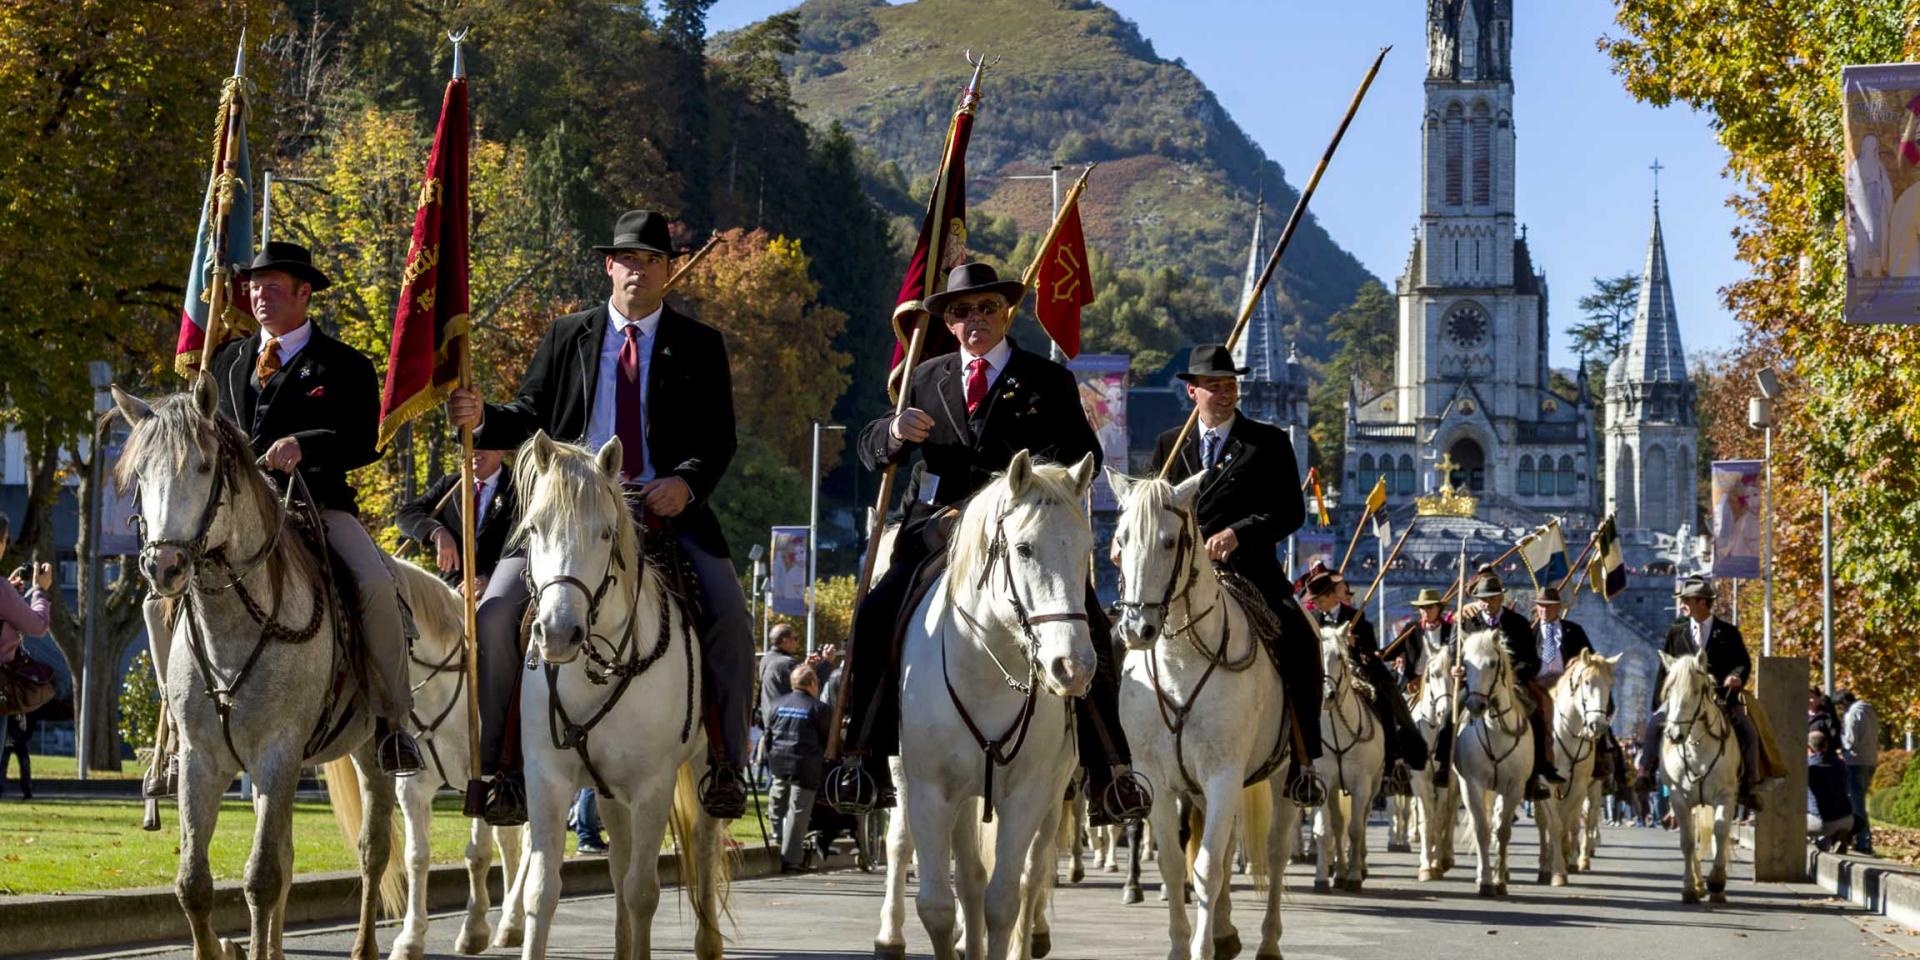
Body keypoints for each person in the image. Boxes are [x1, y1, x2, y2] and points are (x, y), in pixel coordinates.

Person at [447, 210, 755, 824]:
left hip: (662, 511)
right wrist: (482, 418)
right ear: (609, 266)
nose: (638, 270)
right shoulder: (569, 334)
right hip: (568, 512)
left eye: (651, 260)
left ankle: (726, 762)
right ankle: (499, 767)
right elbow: (528, 413)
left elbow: (718, 438)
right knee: (496, 611)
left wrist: (686, 484)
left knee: (730, 617)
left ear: (667, 270)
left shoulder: (700, 344)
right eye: (628, 259)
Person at [832, 262, 1144, 826]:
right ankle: (863, 756)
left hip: (1023, 534)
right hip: (936, 532)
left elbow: (1083, 457)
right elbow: (872, 446)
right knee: (875, 613)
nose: (974, 318)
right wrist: (894, 433)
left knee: (1091, 624)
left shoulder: (1048, 380)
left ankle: (1109, 769)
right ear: (948, 322)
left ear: (1006, 313)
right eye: (961, 311)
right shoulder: (924, 376)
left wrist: (1022, 494)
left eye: (986, 308)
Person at [202, 241, 419, 776]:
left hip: (315, 506)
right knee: (163, 590)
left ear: (304, 293)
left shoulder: (345, 365)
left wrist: (306, 444)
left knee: (375, 584)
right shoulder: (226, 361)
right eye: (254, 287)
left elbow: (367, 441)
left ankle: (393, 720)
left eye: (273, 287)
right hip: (234, 517)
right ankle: (178, 731)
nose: (259, 296)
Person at [1148, 344, 1325, 805]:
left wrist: (1238, 533)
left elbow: (1290, 512)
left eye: (1230, 385)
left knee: (1301, 639)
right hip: (1178, 575)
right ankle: (1124, 762)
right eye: (1215, 386)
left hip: (1248, 570)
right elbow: (1149, 507)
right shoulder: (1170, 445)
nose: (1226, 394)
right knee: (1122, 638)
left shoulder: (1268, 442)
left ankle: (1304, 758)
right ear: (1193, 391)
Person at [1635, 576, 1763, 811]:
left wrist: (1736, 677)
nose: (1683, 604)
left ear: (1702, 602)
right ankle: (1645, 772)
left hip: (1720, 696)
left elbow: (1742, 662)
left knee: (1749, 732)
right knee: (1654, 725)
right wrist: (1658, 704)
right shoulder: (1676, 632)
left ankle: (1749, 785)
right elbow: (1664, 670)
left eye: (1687, 600)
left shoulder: (1728, 632)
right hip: (1683, 697)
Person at [1305, 572, 1428, 794]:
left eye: (1319, 600)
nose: (1316, 605)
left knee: (1384, 701)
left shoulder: (1357, 617)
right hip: (1326, 674)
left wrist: (1355, 643)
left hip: (1357, 671)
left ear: (1332, 596)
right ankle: (1305, 762)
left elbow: (1370, 651)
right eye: (1314, 601)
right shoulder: (1313, 619)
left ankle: (1393, 760)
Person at [1453, 573, 1560, 799]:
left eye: (1491, 598)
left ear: (1501, 598)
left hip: (1511, 685)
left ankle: (1537, 772)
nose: (1487, 603)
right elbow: (1454, 652)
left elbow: (1531, 660)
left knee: (1536, 715)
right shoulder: (1467, 623)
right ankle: (1443, 765)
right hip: (1475, 685)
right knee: (1448, 717)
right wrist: (1456, 669)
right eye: (1483, 599)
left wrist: (1514, 674)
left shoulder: (1518, 623)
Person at [394, 446, 517, 593]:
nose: (474, 451)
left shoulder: (518, 488)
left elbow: (524, 545)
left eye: (482, 445)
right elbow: (405, 515)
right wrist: (437, 531)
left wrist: (492, 578)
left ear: (501, 450)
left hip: (500, 590)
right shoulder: (450, 484)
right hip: (450, 590)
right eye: (469, 444)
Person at [768, 662, 832, 873]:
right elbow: (828, 739)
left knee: (777, 801)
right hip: (805, 766)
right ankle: (791, 859)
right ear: (813, 683)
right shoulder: (819, 708)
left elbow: (769, 734)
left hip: (779, 761)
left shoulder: (776, 703)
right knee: (798, 812)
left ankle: (775, 840)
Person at [1838, 690, 1880, 855]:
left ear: (1844, 703)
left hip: (1855, 761)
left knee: (1856, 805)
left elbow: (1851, 741)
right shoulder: (1870, 711)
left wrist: (1839, 741)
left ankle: (1863, 841)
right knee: (1859, 802)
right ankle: (1860, 839)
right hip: (1870, 760)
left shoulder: (1852, 714)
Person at [1807, 730, 1855, 851]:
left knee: (1793, 821)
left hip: (1822, 822)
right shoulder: (1841, 764)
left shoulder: (1808, 767)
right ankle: (1835, 838)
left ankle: (1822, 841)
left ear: (1809, 748)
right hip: (1848, 819)